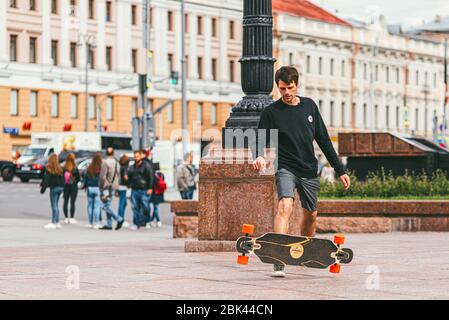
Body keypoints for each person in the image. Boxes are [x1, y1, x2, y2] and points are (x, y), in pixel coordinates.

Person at [252, 66, 351, 278]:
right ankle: (278, 258)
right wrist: (259, 155)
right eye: (281, 89)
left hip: (308, 168)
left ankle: (305, 251)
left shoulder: (309, 107)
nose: (286, 92)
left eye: (289, 87)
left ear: (297, 85)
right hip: (285, 167)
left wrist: (340, 169)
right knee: (284, 205)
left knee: (311, 214)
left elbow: (323, 140)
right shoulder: (271, 112)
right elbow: (259, 137)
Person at [127, 150, 153, 230]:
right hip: (134, 189)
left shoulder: (146, 165)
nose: (136, 157)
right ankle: (136, 223)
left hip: (144, 189)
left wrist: (150, 188)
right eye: (135, 156)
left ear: (140, 156)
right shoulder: (132, 166)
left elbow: (150, 177)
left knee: (145, 206)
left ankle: (147, 221)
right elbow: (130, 177)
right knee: (135, 207)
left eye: (137, 156)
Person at [99, 147, 124, 230]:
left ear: (106, 153)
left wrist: (101, 187)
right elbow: (118, 175)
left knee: (104, 206)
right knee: (108, 204)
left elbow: (102, 176)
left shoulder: (105, 162)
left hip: (106, 186)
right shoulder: (117, 163)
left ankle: (119, 219)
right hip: (114, 186)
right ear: (113, 153)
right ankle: (109, 224)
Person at [40, 153, 65, 229]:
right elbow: (63, 179)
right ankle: (57, 222)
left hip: (54, 188)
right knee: (56, 205)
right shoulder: (60, 168)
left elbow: (46, 180)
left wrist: (42, 189)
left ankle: (53, 222)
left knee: (54, 205)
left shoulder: (49, 169)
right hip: (60, 188)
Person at [84, 152, 102, 229]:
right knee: (96, 206)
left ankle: (90, 222)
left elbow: (86, 178)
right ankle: (96, 222)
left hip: (90, 187)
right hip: (97, 187)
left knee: (90, 206)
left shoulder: (89, 167)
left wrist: (85, 186)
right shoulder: (101, 168)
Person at [62, 153, 81, 224]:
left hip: (65, 186)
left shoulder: (64, 168)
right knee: (72, 202)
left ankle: (66, 218)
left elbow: (62, 177)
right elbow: (78, 178)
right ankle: (72, 218)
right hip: (73, 186)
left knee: (65, 202)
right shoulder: (75, 168)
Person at [117, 154, 130, 227]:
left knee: (123, 203)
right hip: (123, 186)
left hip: (119, 186)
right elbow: (125, 177)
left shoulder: (120, 167)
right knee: (122, 203)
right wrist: (130, 182)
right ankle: (120, 219)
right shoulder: (125, 168)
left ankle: (120, 218)